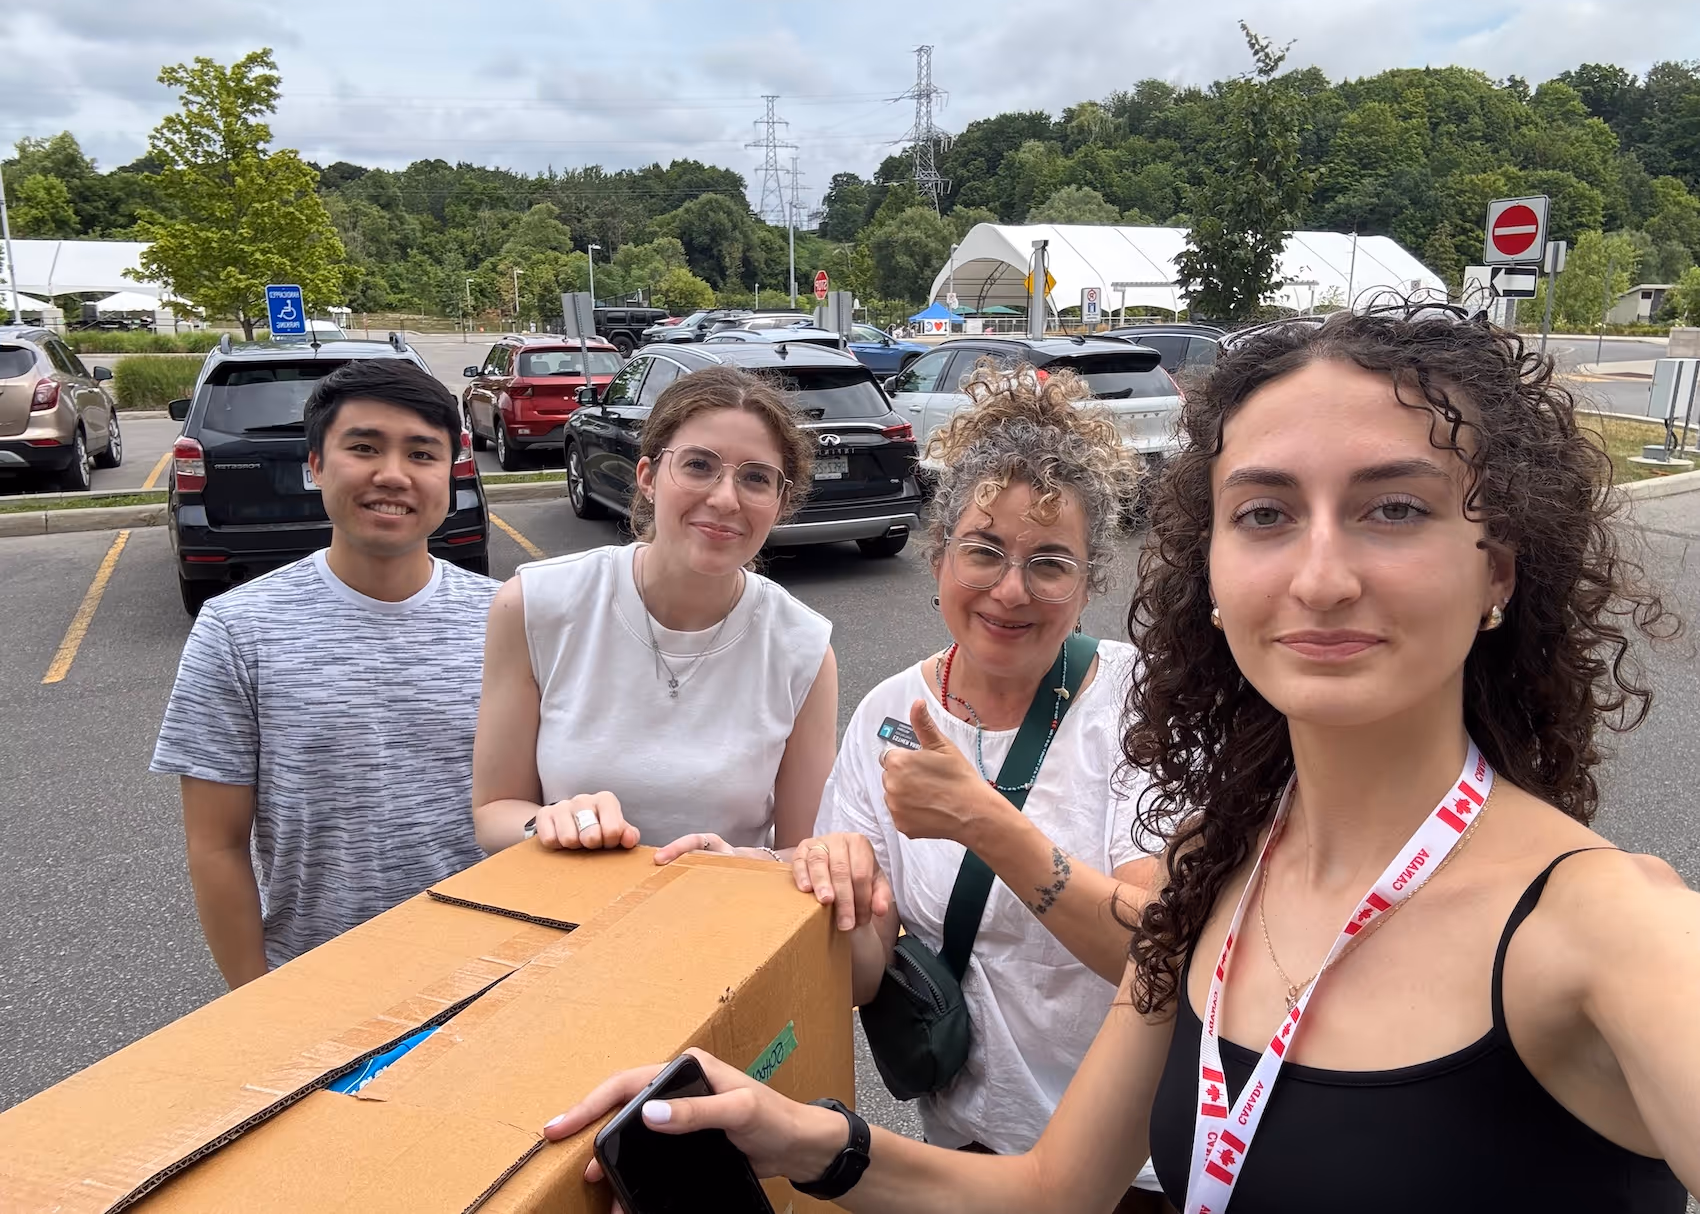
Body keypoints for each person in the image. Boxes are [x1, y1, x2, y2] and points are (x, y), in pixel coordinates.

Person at [543, 308, 1700, 1211]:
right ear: (1210, 572)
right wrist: (791, 1133)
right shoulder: (1221, 868)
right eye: (1263, 514)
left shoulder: (1611, 932)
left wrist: (981, 821)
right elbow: (1052, 1194)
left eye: (1392, 508)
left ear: (1498, 565)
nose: (1319, 575)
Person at [790, 365, 1156, 1170]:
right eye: (983, 551)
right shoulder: (887, 712)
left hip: (1130, 1163)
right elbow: (860, 978)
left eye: (1050, 563)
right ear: (939, 558)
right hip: (969, 1145)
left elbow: (1155, 954)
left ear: (1089, 582)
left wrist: (982, 821)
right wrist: (834, 889)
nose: (1010, 590)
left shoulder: (1139, 701)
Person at [153, 360, 499, 989]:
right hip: (318, 983)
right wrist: (259, 1003)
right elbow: (216, 845)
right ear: (315, 465)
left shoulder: (508, 619)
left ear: (452, 472)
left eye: (422, 454)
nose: (392, 474)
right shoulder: (237, 630)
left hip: (501, 971)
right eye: (363, 448)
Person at [472, 365, 837, 864]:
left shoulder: (803, 647)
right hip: (563, 905)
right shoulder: (535, 605)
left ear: (780, 502)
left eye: (756, 478)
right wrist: (548, 823)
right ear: (647, 477)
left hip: (719, 910)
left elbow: (805, 852)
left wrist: (739, 864)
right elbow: (494, 810)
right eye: (698, 465)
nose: (725, 498)